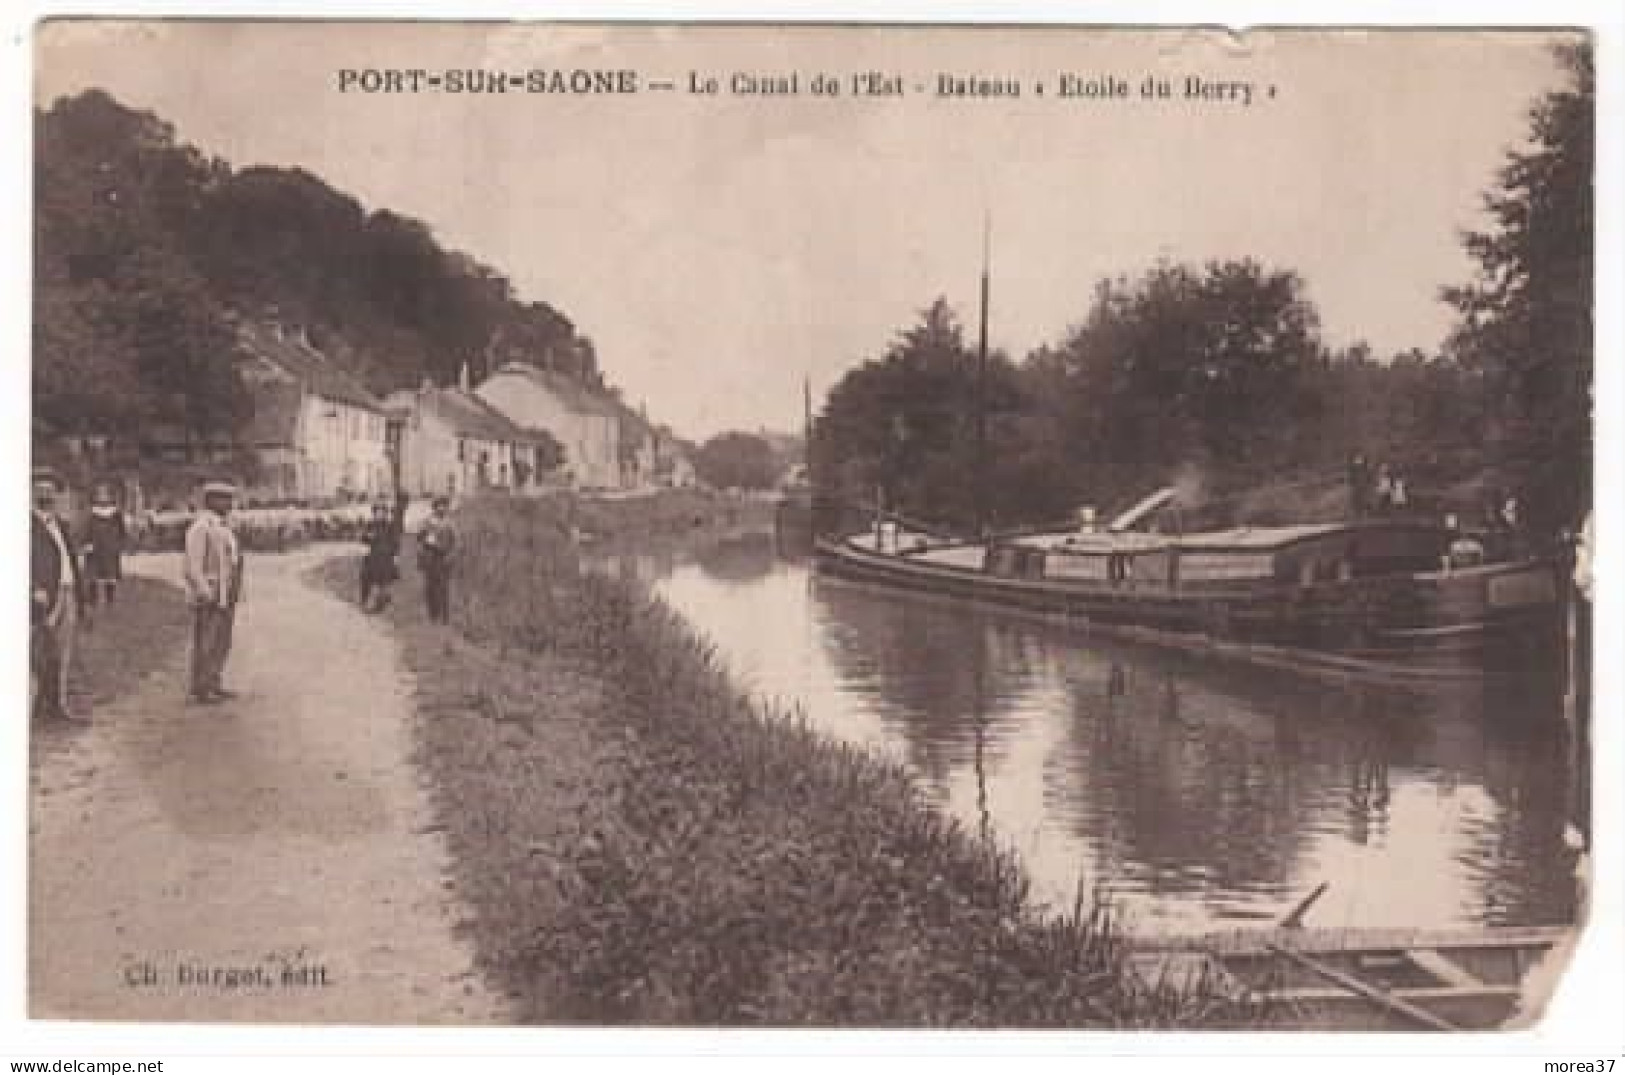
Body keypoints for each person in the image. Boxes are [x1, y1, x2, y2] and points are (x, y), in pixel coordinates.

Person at [31, 469, 89, 722]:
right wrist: (32, 589)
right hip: (43, 595)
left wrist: (80, 592)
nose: (46, 493)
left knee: (63, 651)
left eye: (51, 489)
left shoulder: (61, 525)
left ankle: (57, 705)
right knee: (38, 650)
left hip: (67, 591)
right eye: (40, 488)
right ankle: (34, 706)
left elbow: (70, 560)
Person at [183, 481, 246, 704]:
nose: (228, 504)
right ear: (210, 501)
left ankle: (214, 681)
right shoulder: (201, 527)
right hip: (210, 593)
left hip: (226, 592)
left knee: (222, 640)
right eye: (222, 499)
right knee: (206, 641)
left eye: (229, 499)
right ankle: (201, 687)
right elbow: (192, 566)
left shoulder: (224, 526)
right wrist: (205, 591)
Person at [84, 484, 127, 606]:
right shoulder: (91, 513)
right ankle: (93, 600)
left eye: (105, 494)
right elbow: (86, 529)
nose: (103, 498)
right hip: (95, 547)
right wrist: (87, 542)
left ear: (109, 496)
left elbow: (121, 530)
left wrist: (119, 544)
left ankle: (110, 601)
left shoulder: (115, 514)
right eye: (100, 494)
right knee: (93, 574)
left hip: (110, 547)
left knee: (110, 575)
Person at [418, 495, 456, 624]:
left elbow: (455, 542)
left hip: (444, 557)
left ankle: (445, 617)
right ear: (434, 507)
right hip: (430, 557)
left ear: (447, 508)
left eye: (444, 506)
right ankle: (433, 615)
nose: (441, 508)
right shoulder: (427, 521)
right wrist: (425, 537)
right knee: (430, 587)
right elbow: (419, 538)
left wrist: (450, 556)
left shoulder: (450, 523)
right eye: (438, 505)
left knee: (444, 588)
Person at [359, 500, 400, 613]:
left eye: (382, 512)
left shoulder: (390, 526)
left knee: (384, 581)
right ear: (374, 513)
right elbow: (363, 539)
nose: (380, 514)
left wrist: (395, 557)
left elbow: (395, 542)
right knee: (367, 578)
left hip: (386, 557)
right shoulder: (370, 524)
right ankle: (366, 602)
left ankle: (381, 603)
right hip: (372, 556)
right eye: (377, 511)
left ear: (385, 513)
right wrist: (367, 536)